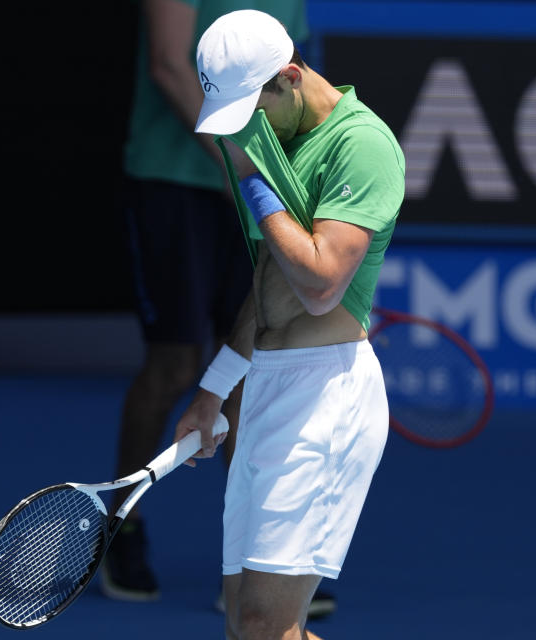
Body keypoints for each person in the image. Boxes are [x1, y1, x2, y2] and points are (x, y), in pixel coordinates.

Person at [100, 0, 338, 620]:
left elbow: (294, 80)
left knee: (251, 370)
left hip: (252, 190)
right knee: (175, 367)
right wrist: (239, 166)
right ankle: (121, 524)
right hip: (175, 184)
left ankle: (257, 561)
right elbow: (168, 66)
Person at [172, 9, 405, 639]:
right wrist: (215, 388)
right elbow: (270, 289)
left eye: (253, 107)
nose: (244, 129)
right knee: (247, 626)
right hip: (267, 389)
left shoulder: (363, 145)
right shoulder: (275, 135)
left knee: (264, 626)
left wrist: (251, 178)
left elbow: (322, 284)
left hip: (324, 401)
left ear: (291, 77)